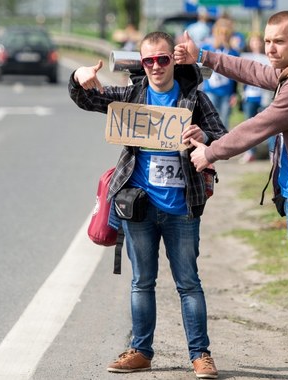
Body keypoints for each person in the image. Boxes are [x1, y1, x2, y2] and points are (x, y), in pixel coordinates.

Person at [174, 10, 288, 380]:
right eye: (267, 41)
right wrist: (204, 56)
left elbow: (257, 126)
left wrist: (211, 151)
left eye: (278, 41)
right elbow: (253, 72)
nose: (270, 49)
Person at [69, 31, 227, 379]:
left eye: (162, 59)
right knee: (142, 281)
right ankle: (141, 351)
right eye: (148, 61)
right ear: (141, 64)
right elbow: (90, 100)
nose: (155, 66)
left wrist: (205, 138)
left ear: (174, 59)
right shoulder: (132, 95)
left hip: (182, 208)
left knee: (188, 283)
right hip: (138, 206)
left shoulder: (194, 99)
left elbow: (224, 137)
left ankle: (200, 354)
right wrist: (79, 80)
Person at [238, 32, 274, 163]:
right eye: (253, 41)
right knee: (249, 126)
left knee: (270, 127)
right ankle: (250, 152)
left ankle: (272, 153)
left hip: (265, 96)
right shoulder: (245, 57)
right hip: (250, 97)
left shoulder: (269, 58)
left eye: (259, 41)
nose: (256, 44)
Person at [200, 17, 240, 130]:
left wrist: (234, 94)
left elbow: (236, 75)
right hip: (210, 90)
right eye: (221, 33)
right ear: (216, 33)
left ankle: (223, 145)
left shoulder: (233, 52)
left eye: (226, 33)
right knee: (209, 119)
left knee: (224, 120)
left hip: (226, 92)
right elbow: (202, 71)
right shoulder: (207, 48)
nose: (224, 35)